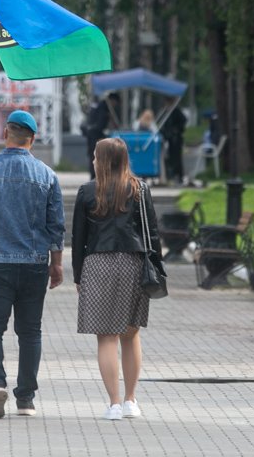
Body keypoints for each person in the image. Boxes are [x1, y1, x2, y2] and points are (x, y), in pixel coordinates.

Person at [0, 110, 65, 420]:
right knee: (30, 331)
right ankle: (26, 398)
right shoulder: (46, 175)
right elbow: (55, 225)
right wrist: (56, 264)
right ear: (32, 139)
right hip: (34, 263)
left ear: (6, 133)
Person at [71, 137, 160, 421]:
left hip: (97, 263)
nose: (93, 161)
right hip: (134, 263)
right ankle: (132, 401)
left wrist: (78, 275)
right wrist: (155, 269)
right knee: (131, 333)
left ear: (104, 160)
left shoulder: (87, 192)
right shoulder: (139, 189)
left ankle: (113, 404)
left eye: (96, 157)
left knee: (106, 336)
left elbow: (78, 238)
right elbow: (152, 234)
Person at [83, 93, 120, 179]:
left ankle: (95, 176)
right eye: (115, 103)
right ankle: (95, 176)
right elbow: (99, 125)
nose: (115, 106)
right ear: (112, 101)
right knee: (96, 156)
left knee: (94, 156)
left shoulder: (100, 106)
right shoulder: (103, 108)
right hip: (95, 137)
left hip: (92, 136)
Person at [160, 101, 187, 184]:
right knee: (170, 157)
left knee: (176, 158)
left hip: (175, 139)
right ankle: (171, 174)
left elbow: (183, 121)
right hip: (169, 138)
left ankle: (178, 175)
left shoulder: (176, 111)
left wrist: (176, 130)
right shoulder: (166, 112)